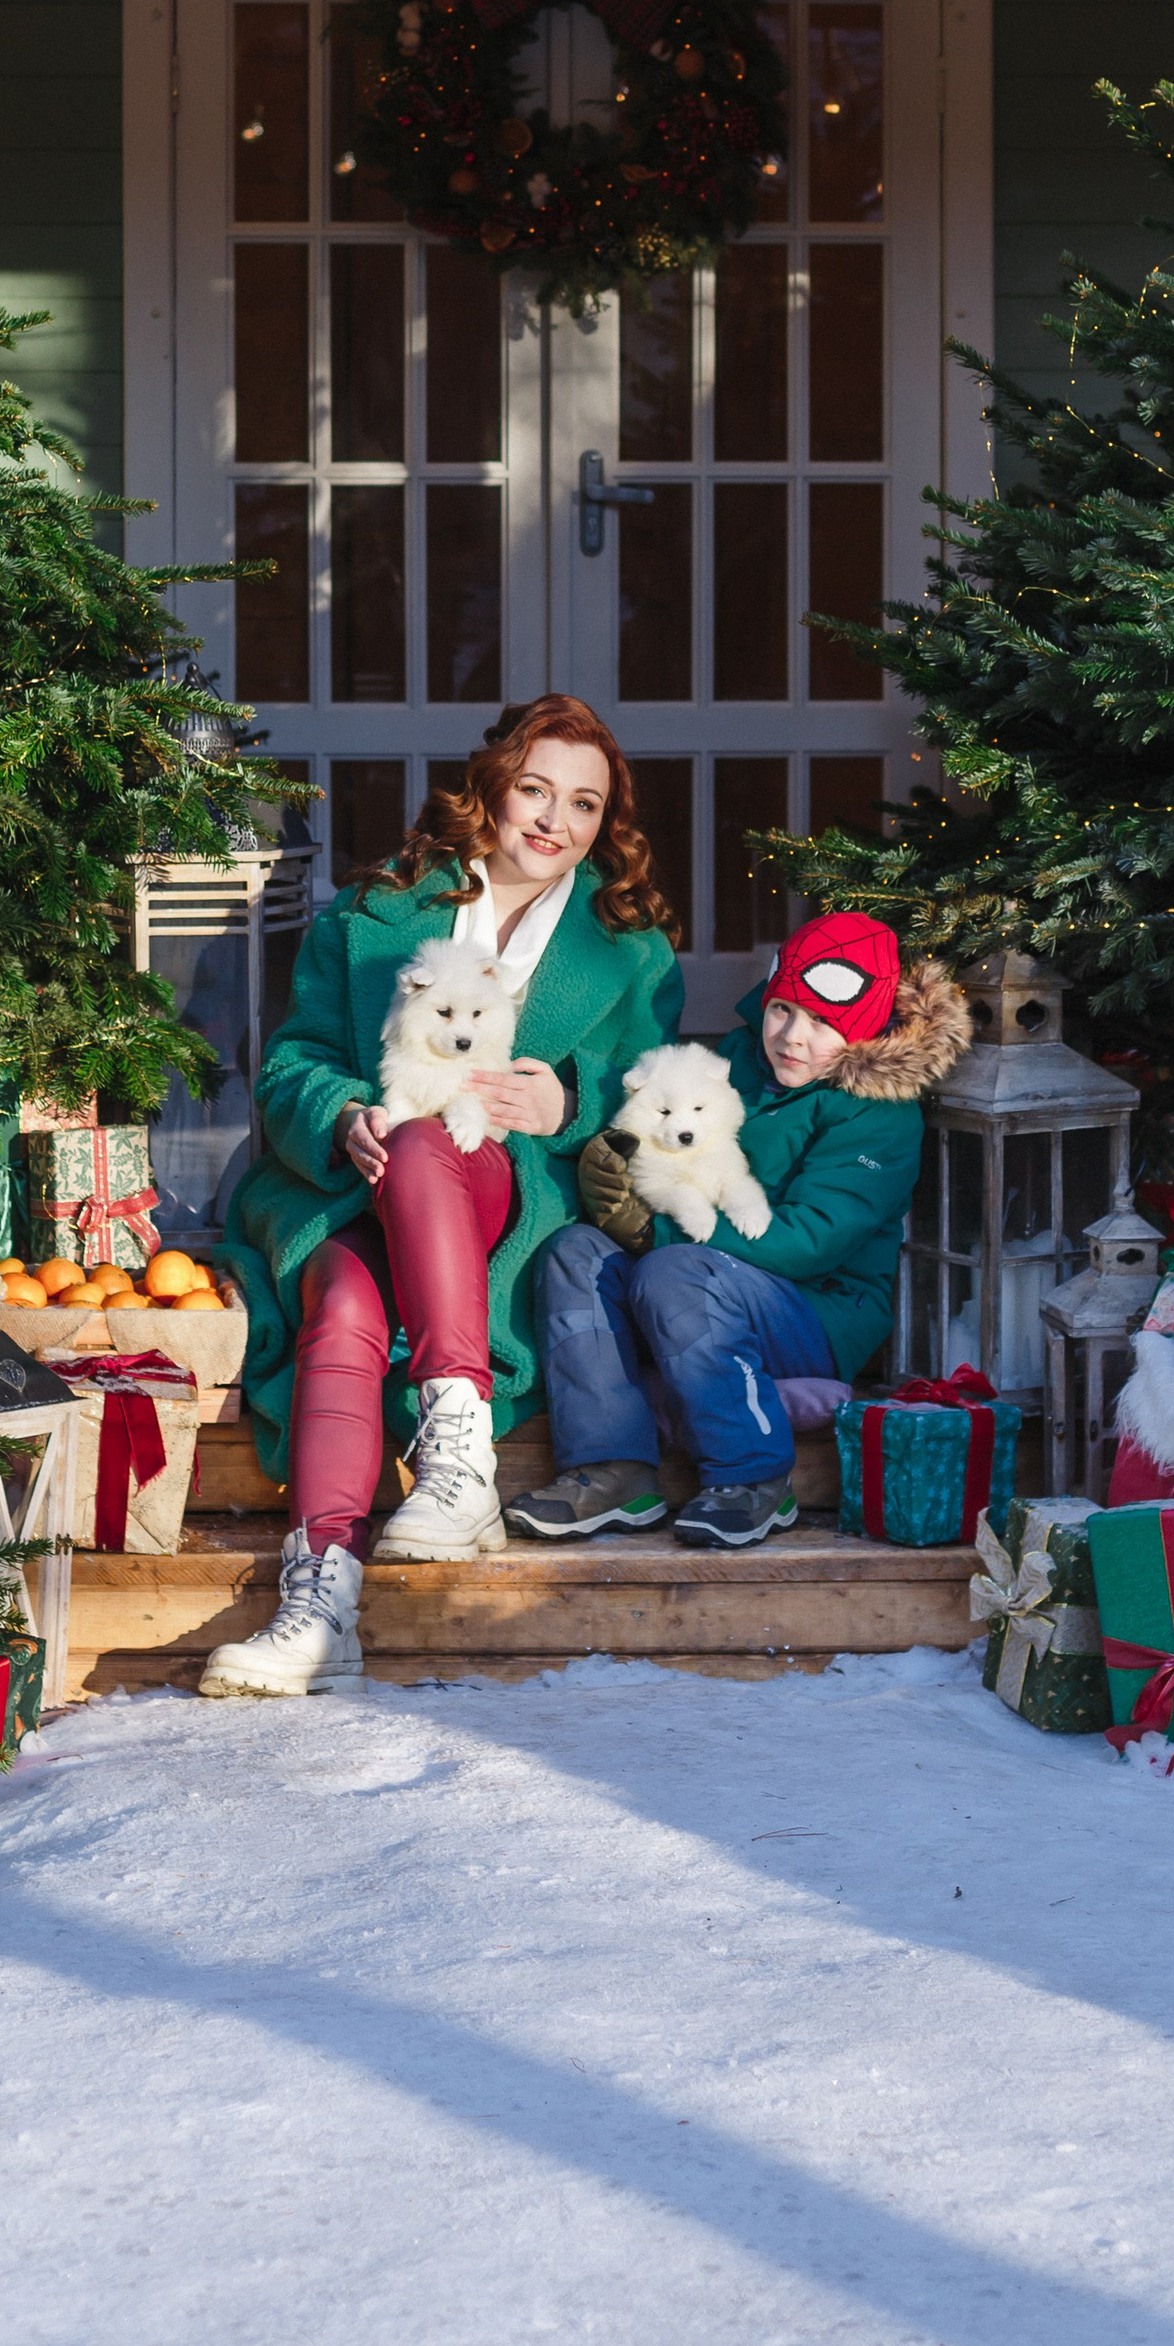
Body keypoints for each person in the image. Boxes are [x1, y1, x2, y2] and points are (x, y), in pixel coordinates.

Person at [200, 696, 683, 1699]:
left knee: (431, 1140)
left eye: (584, 806)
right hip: (354, 1188)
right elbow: (291, 1060)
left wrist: (575, 1096)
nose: (554, 821)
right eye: (536, 790)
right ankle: (319, 1607)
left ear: (605, 824)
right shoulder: (378, 908)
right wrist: (338, 1115)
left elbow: (659, 1090)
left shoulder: (628, 948)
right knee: (338, 1307)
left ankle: (457, 1445)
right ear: (494, 787)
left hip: (507, 1196)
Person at [511, 910, 969, 1551]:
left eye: (823, 1024)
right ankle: (612, 1466)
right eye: (783, 1010)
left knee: (674, 1269)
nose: (792, 1038)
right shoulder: (731, 1061)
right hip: (694, 1278)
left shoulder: (880, 1117)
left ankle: (751, 1476)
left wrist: (656, 1236)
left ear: (863, 1032)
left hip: (816, 1309)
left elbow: (811, 1240)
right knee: (575, 1251)